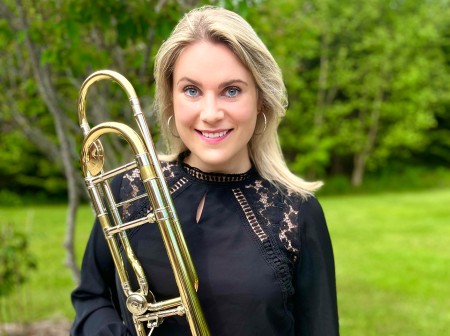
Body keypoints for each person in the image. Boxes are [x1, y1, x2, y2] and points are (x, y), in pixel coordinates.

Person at [71, 5, 339, 336]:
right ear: (171, 98)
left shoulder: (296, 214)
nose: (210, 113)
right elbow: (92, 296)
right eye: (192, 90)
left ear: (260, 100)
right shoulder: (130, 191)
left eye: (232, 90)